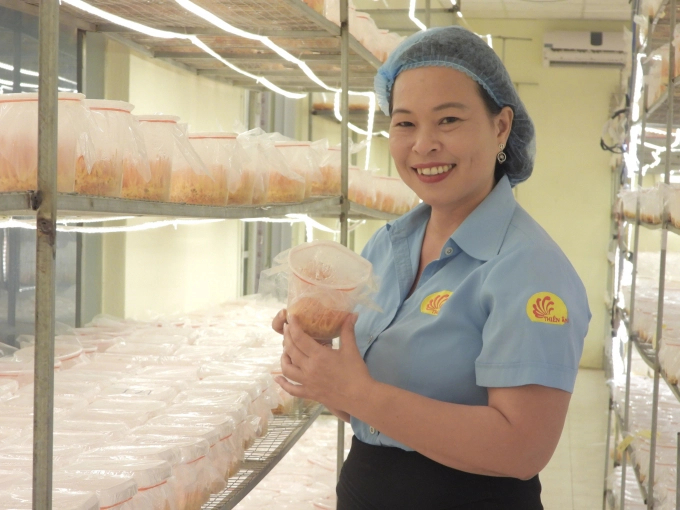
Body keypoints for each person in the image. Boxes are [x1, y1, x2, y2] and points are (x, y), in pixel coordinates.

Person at [272, 25, 591, 510]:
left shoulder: (528, 268)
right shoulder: (387, 245)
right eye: (404, 124)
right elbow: (370, 408)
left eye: (448, 121)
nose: (423, 146)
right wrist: (322, 367)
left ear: (501, 126)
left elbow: (522, 448)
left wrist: (359, 393)